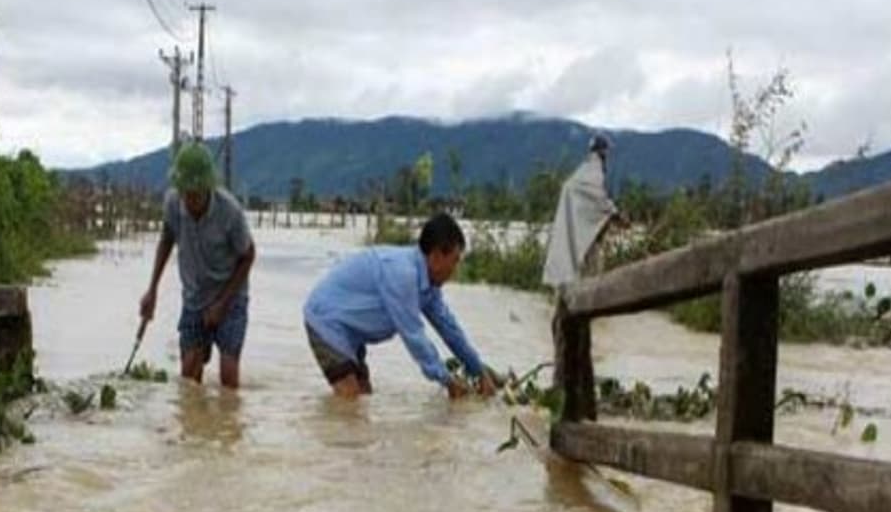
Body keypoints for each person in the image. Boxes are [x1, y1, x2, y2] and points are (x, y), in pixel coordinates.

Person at [302, 213, 497, 399]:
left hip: (351, 331)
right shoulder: (402, 274)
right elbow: (414, 336)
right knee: (349, 399)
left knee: (362, 399)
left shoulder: (428, 286)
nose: (454, 270)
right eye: (454, 261)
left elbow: (449, 329)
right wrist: (448, 381)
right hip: (327, 321)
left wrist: (477, 369)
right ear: (437, 256)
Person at [138, 142, 256, 388]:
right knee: (189, 379)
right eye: (185, 193)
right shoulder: (172, 203)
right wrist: (152, 290)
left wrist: (222, 304)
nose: (189, 200)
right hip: (194, 296)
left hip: (231, 297)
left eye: (195, 194)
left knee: (228, 375)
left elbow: (249, 255)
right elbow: (167, 239)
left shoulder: (230, 211)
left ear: (207, 188)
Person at [542, 133, 626, 289]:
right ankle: (589, 301)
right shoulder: (594, 171)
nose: (607, 154)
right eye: (606, 150)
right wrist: (616, 214)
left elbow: (592, 198)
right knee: (592, 268)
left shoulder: (584, 170)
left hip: (584, 228)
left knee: (581, 266)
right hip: (588, 232)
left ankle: (579, 296)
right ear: (601, 151)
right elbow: (599, 198)